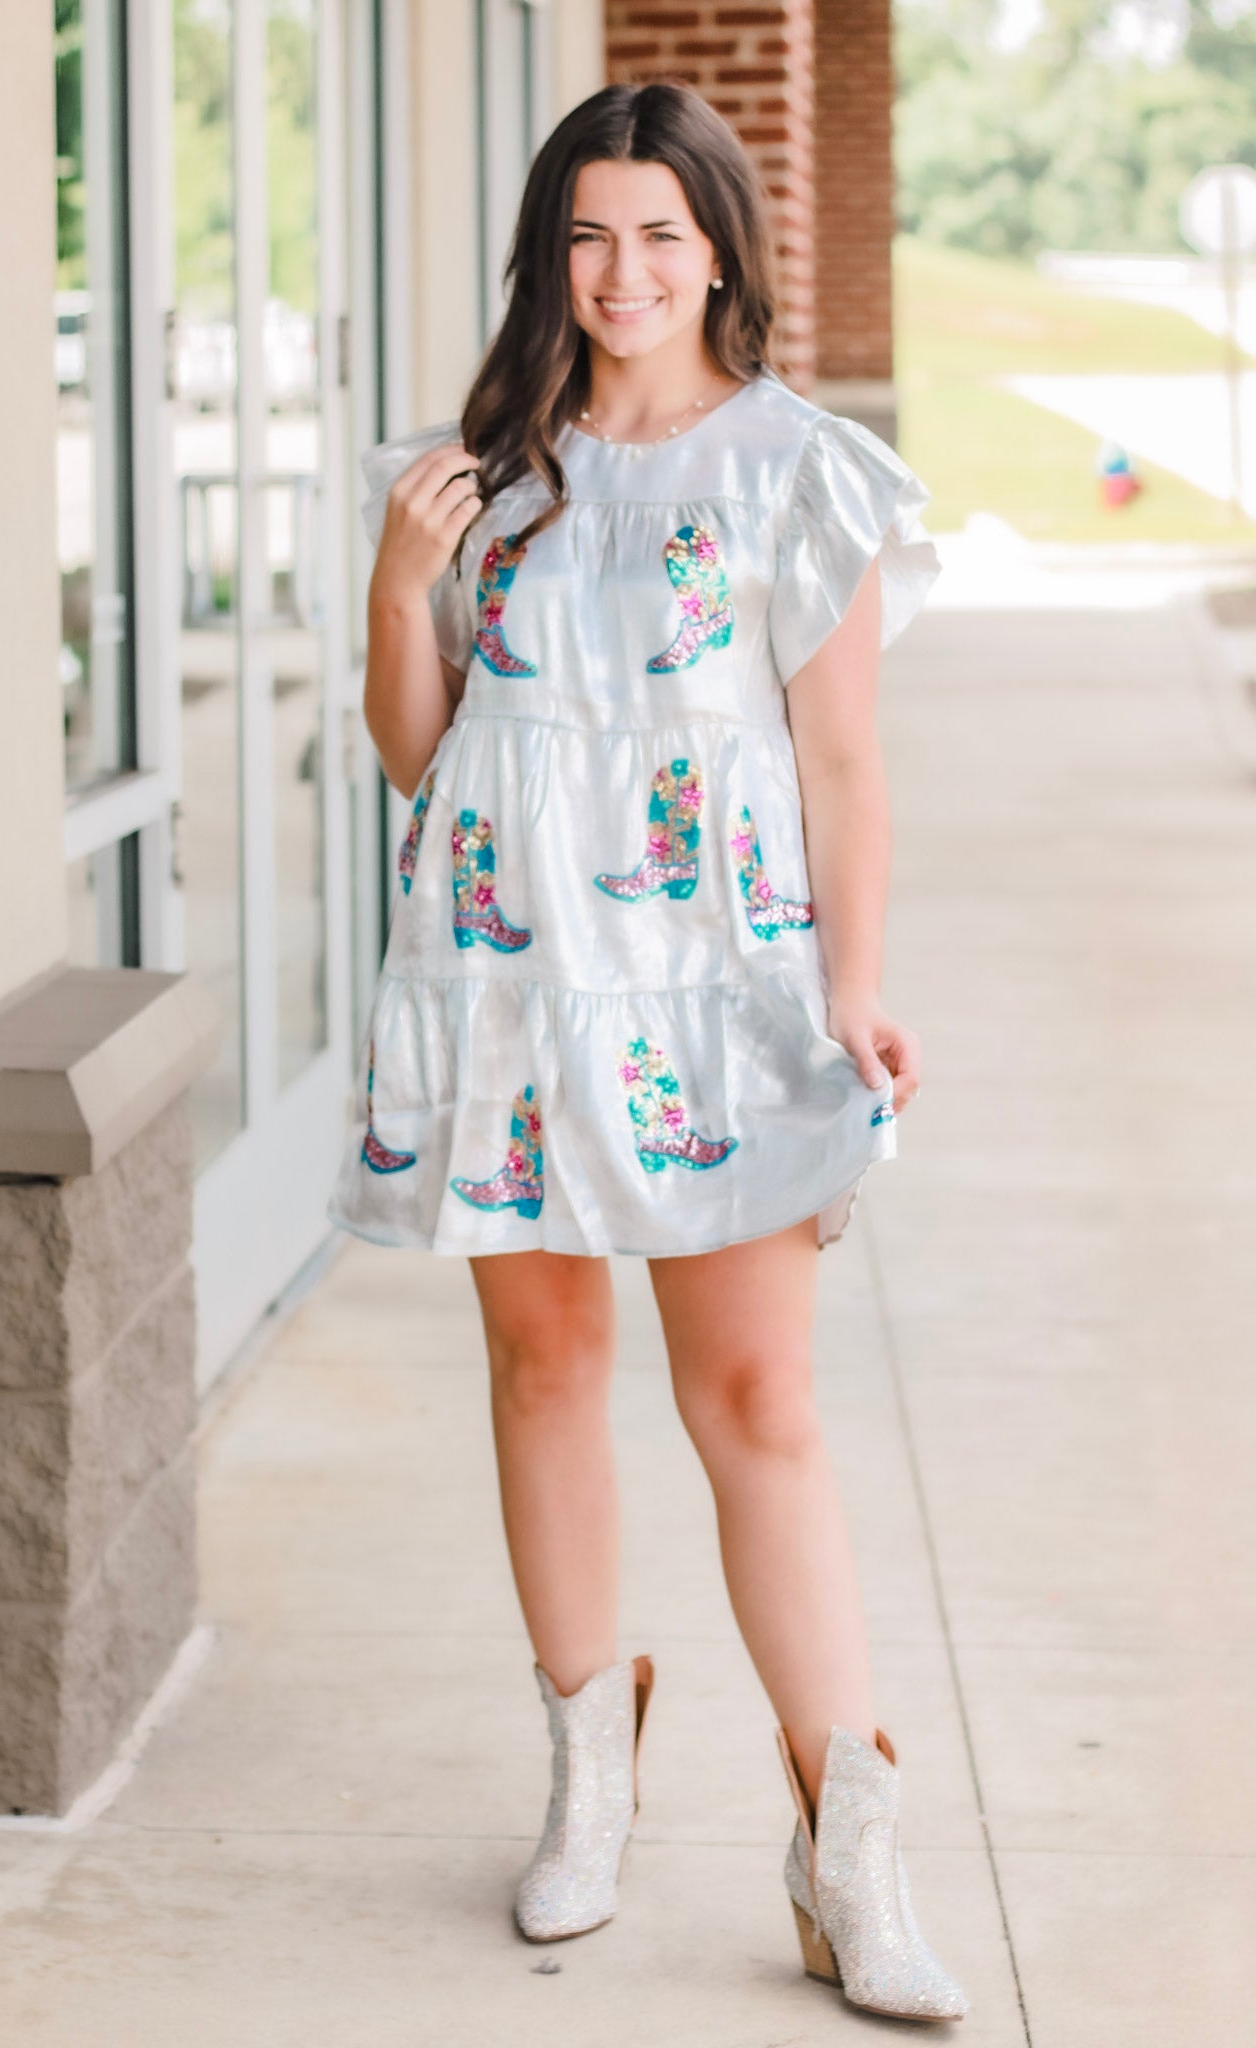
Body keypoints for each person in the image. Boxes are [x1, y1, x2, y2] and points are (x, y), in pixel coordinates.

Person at [327, 80, 967, 2023]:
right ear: (551, 252)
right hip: (509, 980)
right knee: (545, 1364)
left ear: (718, 250)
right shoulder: (473, 474)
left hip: (719, 987)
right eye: (588, 235)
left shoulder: (798, 471)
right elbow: (423, 755)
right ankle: (588, 1778)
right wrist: (398, 583)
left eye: (660, 235)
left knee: (756, 1399)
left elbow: (841, 764)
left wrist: (855, 983)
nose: (622, 273)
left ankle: (848, 1849)